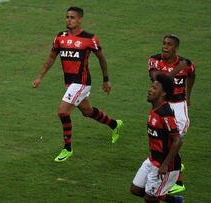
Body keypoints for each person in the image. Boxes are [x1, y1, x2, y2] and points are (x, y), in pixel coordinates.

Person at [32, 6, 123, 162]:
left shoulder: (89, 38)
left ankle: (67, 149)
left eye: (72, 17)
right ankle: (115, 124)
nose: (69, 20)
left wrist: (106, 79)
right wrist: (40, 77)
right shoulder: (60, 37)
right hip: (70, 83)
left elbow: (101, 58)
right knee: (87, 112)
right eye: (67, 17)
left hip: (82, 82)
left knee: (63, 111)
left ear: (80, 19)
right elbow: (51, 57)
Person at [148, 34, 196, 194]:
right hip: (164, 106)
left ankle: (178, 180)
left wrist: (188, 96)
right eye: (164, 43)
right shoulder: (154, 61)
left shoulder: (186, 64)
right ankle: (178, 179)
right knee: (169, 144)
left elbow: (192, 75)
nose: (165, 46)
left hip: (179, 107)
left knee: (174, 142)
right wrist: (178, 69)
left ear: (176, 48)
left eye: (169, 44)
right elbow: (159, 80)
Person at [130, 74, 183, 203]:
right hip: (153, 159)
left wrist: (164, 165)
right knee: (135, 189)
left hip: (165, 165)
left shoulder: (165, 113)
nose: (149, 90)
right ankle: (173, 200)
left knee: (150, 198)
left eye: (154, 88)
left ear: (163, 93)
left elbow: (178, 140)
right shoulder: (155, 109)